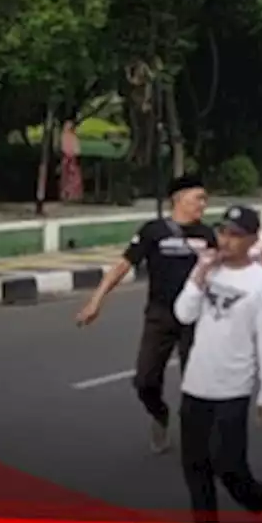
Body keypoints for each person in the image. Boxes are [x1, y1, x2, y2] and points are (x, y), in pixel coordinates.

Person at [75, 174, 215, 453]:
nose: (203, 204)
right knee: (145, 380)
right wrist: (96, 301)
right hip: (160, 316)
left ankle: (198, 435)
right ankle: (159, 413)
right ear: (179, 199)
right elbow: (121, 267)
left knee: (197, 381)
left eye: (204, 199)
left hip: (197, 319)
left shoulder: (208, 235)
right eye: (198, 198)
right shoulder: (153, 231)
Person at [172, 206, 262, 523]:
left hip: (233, 387)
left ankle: (259, 500)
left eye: (235, 235)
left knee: (228, 465)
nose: (226, 241)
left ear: (253, 240)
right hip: (196, 383)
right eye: (222, 233)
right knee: (195, 466)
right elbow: (183, 314)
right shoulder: (208, 270)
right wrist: (199, 273)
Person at [60, 120, 83, 203]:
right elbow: (76, 150)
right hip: (71, 159)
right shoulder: (72, 137)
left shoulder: (64, 136)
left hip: (67, 159)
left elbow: (64, 149)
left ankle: (68, 195)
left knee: (67, 178)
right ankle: (72, 195)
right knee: (72, 177)